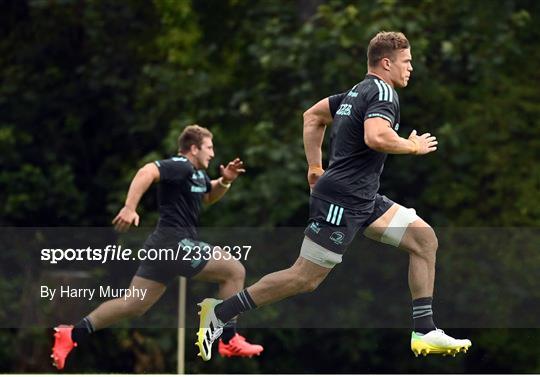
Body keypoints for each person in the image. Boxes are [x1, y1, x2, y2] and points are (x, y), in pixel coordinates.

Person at [195, 32, 471, 360]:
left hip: (364, 200)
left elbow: (312, 116)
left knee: (424, 240)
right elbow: (376, 136)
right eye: (407, 62)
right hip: (342, 202)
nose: (411, 68)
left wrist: (314, 167)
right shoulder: (383, 92)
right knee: (304, 278)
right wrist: (412, 145)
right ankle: (221, 312)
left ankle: (424, 331)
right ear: (387, 63)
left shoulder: (356, 91)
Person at [51, 125, 263, 369]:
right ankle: (228, 338)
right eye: (209, 148)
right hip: (175, 243)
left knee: (133, 304)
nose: (213, 154)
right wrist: (129, 208)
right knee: (234, 271)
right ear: (193, 148)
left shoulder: (196, 174)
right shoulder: (180, 165)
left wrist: (225, 181)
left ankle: (72, 334)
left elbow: (206, 197)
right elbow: (146, 172)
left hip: (162, 246)